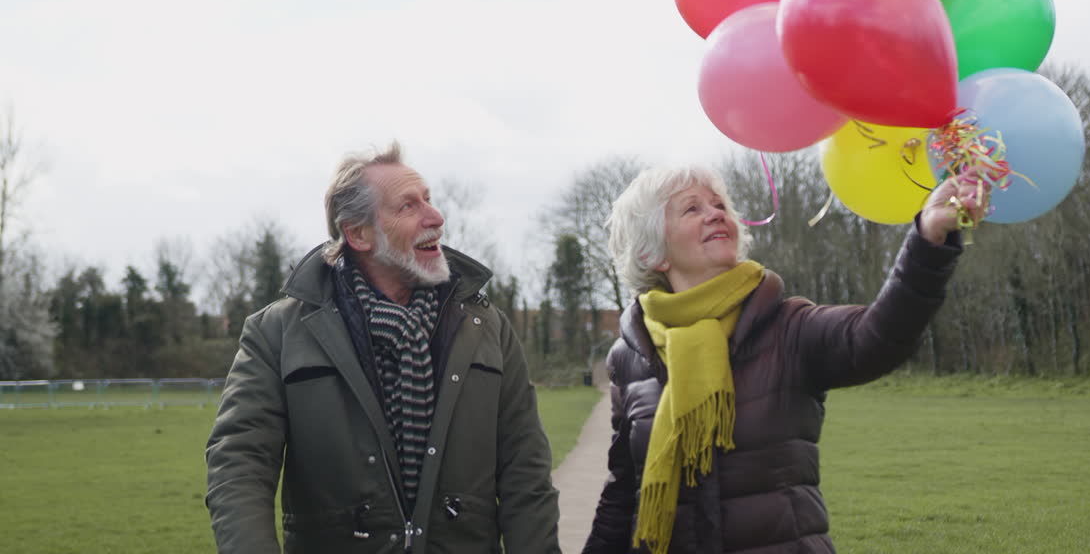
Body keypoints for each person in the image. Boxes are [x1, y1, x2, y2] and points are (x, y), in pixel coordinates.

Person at [582, 164, 988, 554]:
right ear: (654, 254)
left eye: (720, 205)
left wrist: (928, 240)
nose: (715, 214)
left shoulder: (789, 326)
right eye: (693, 208)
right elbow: (623, 491)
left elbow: (878, 337)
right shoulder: (630, 354)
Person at [206, 142, 560, 554]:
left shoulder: (487, 329)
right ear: (358, 233)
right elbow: (238, 465)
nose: (436, 217)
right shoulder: (277, 333)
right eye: (408, 206)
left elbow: (526, 471)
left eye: (428, 199)